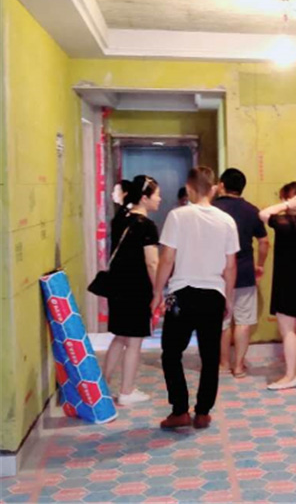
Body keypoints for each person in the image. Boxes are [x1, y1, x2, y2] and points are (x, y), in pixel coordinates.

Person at [151, 166, 238, 430]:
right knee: (210, 357)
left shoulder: (177, 216)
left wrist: (157, 292)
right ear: (213, 189)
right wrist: (229, 298)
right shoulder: (227, 221)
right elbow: (230, 266)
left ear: (189, 188)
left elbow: (167, 259)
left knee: (171, 354)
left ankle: (179, 410)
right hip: (214, 295)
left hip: (182, 294)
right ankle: (202, 413)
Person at [103, 175, 161, 406]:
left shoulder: (120, 219)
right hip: (137, 289)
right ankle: (126, 391)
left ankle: (102, 386)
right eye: (157, 195)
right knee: (134, 341)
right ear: (145, 198)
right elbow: (152, 263)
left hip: (117, 287)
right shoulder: (146, 226)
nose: (159, 199)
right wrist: (158, 291)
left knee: (120, 337)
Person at [259, 182, 296, 390]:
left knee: (287, 330)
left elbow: (263, 214)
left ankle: (290, 376)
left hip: (287, 281)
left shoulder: (285, 223)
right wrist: (290, 205)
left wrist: (285, 205)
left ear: (288, 200)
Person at [213, 168, 269, 378]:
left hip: (218, 273)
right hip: (245, 271)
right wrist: (260, 265)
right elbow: (264, 242)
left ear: (222, 185)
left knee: (223, 321)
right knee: (243, 321)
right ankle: (238, 366)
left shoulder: (213, 209)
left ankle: (223, 363)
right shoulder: (251, 211)